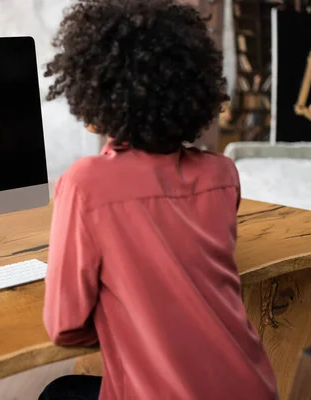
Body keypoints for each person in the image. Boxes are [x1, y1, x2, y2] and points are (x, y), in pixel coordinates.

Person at [39, 1, 277, 399]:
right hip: (251, 387)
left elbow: (64, 326)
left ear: (93, 91)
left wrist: (129, 319)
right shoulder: (222, 175)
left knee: (58, 392)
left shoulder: (86, 184)